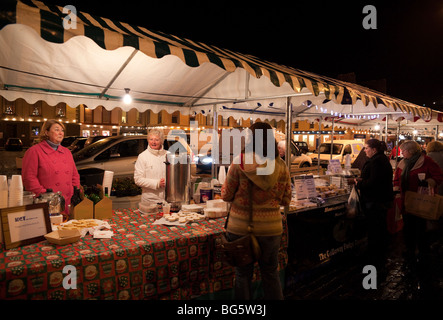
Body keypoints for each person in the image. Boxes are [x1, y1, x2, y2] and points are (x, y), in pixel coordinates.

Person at [221, 122, 292, 300]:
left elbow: (226, 195)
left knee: (242, 275)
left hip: (241, 229)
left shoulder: (239, 162)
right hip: (271, 229)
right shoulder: (281, 165)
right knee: (270, 274)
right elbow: (286, 199)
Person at [393, 140, 443, 292]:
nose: (402, 153)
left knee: (420, 226)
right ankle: (409, 249)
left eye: (403, 151)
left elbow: (439, 176)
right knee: (407, 225)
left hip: (420, 200)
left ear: (411, 151)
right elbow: (396, 177)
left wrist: (428, 182)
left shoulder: (426, 161)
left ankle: (422, 251)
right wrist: (396, 190)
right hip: (406, 200)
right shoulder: (402, 163)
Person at [22, 119, 80, 220]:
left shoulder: (67, 152)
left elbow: (74, 174)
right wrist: (44, 194)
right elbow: (29, 178)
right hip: (47, 203)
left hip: (67, 201)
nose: (60, 133)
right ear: (46, 132)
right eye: (57, 129)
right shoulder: (34, 151)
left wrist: (75, 190)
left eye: (62, 130)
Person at [354, 139, 394, 273]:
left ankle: (374, 257)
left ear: (374, 149)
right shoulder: (381, 159)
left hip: (375, 201)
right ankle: (377, 253)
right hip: (379, 200)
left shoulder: (377, 161)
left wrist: (358, 183)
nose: (364, 150)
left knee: (375, 228)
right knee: (378, 228)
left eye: (366, 148)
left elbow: (374, 182)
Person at [134, 129, 166, 203]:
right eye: (151, 139)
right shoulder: (143, 156)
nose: (153, 142)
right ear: (148, 140)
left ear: (161, 141)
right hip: (149, 200)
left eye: (157, 140)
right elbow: (138, 179)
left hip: (166, 199)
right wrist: (157, 183)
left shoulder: (168, 155)